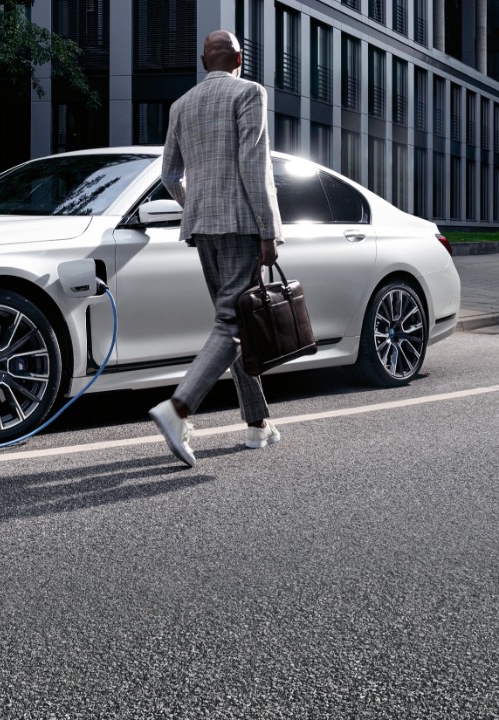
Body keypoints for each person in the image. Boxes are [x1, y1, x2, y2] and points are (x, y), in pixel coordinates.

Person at [148, 29, 284, 467]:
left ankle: (257, 423)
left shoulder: (180, 105)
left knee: (235, 325)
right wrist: (268, 230)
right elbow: (253, 163)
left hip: (203, 227)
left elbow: (169, 176)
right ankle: (178, 408)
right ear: (241, 59)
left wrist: (197, 208)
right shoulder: (250, 93)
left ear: (203, 61)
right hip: (243, 225)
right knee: (232, 324)